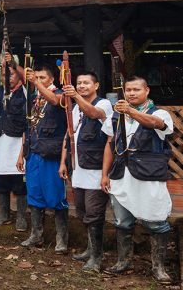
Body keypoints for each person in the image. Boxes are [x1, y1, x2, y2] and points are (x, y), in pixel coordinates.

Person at [101, 76, 173, 284]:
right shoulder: (116, 115)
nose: (131, 93)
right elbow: (109, 145)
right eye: (128, 90)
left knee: (157, 222)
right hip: (120, 175)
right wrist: (104, 174)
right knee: (122, 222)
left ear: (146, 90)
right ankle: (124, 261)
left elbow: (156, 124)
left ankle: (158, 267)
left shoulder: (159, 113)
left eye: (136, 89)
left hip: (149, 176)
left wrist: (130, 111)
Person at [59, 71, 112, 272]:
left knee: (94, 213)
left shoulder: (104, 104)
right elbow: (68, 135)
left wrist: (75, 95)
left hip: (96, 169)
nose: (81, 86)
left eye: (86, 83)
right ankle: (90, 249)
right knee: (82, 211)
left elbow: (93, 113)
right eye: (79, 83)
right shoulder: (74, 108)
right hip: (78, 169)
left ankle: (96, 258)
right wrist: (63, 162)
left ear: (96, 85)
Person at [17, 65, 69, 253]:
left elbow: (54, 101)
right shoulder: (34, 99)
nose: (38, 80)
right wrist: (21, 154)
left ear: (52, 79)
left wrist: (35, 82)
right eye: (36, 77)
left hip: (51, 154)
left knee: (56, 197)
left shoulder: (61, 95)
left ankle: (61, 240)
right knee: (34, 195)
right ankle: (36, 235)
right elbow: (28, 128)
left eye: (42, 77)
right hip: (33, 153)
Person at [0, 53, 28, 231]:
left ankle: (21, 217)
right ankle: (4, 215)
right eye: (3, 74)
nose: (7, 77)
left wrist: (13, 64)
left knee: (19, 183)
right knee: (0, 181)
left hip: (18, 143)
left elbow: (27, 77)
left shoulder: (26, 90)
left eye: (11, 74)